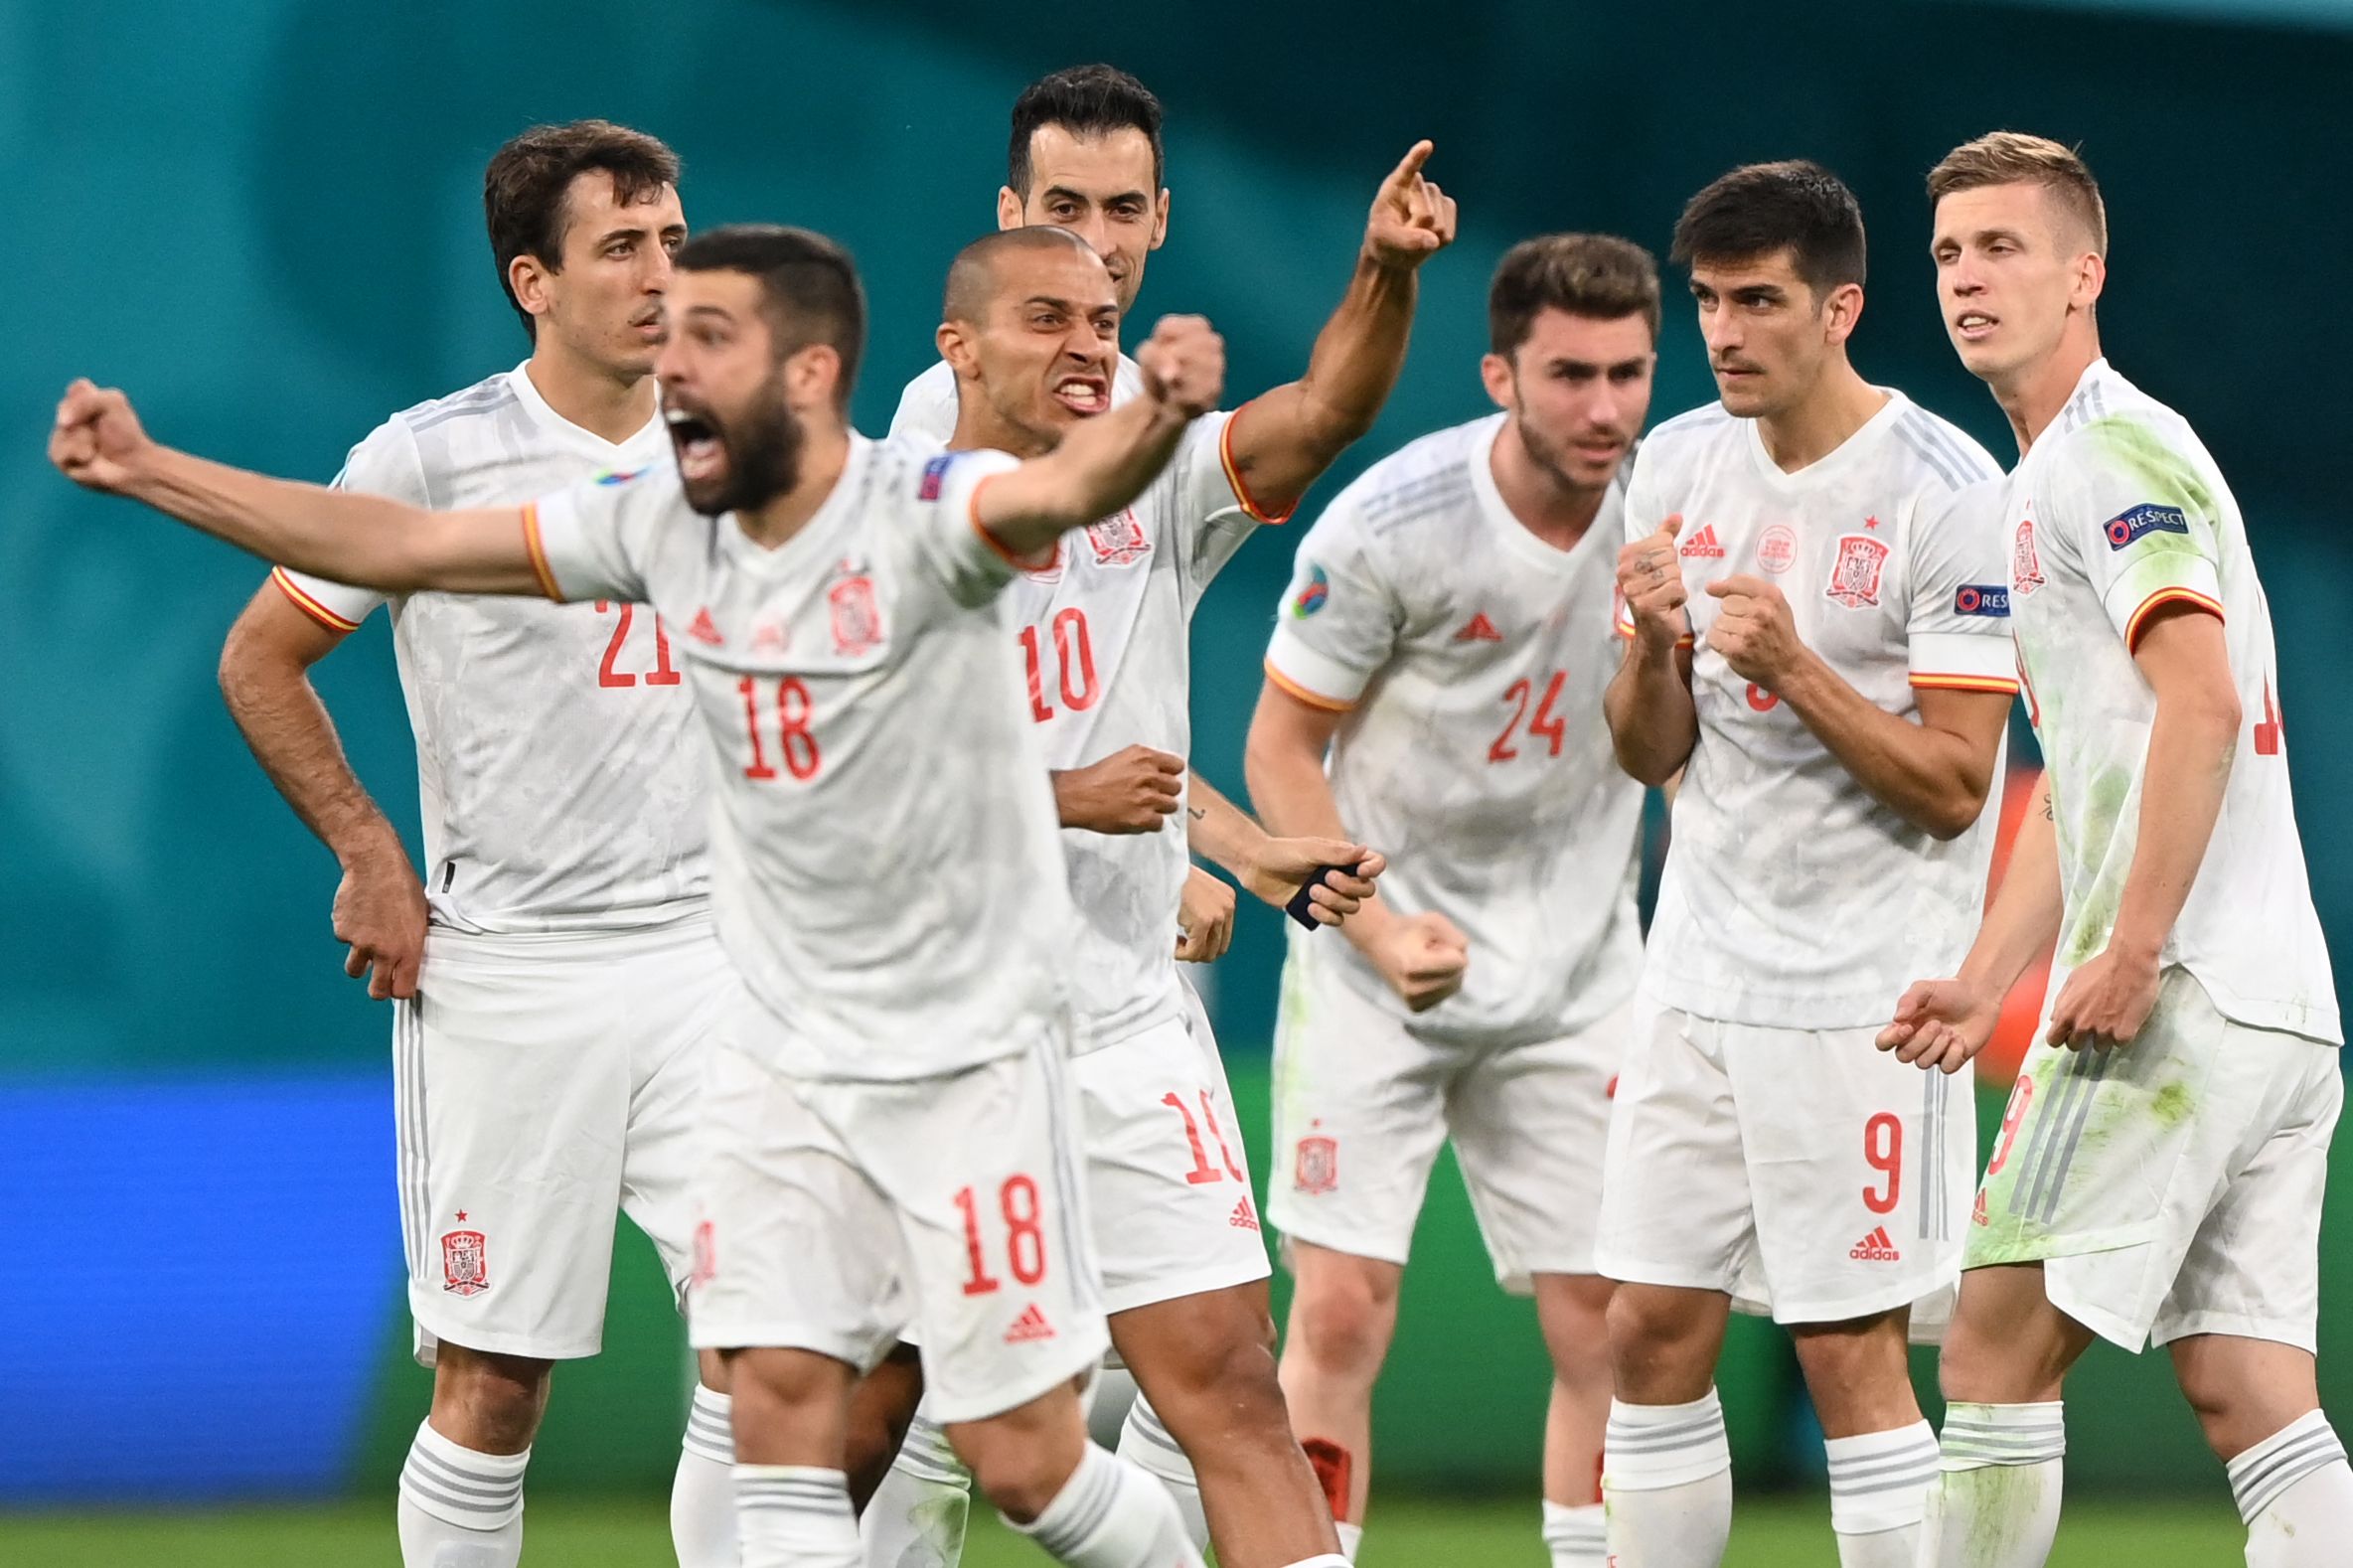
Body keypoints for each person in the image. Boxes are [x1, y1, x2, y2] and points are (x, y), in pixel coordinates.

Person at [52, 223, 1246, 1568]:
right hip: (782, 1053)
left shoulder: (918, 513)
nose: (670, 367)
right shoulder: (664, 524)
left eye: (708, 340)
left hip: (965, 1055)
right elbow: (402, 539)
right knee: (780, 1405)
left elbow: (1055, 495)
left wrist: (1159, 425)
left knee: (1032, 1460)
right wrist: (154, 472)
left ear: (808, 373)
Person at [857, 122, 1455, 1568]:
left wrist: (1381, 272)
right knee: (877, 1415)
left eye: (1112, 273)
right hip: (936, 1023)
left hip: (1122, 1016)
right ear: (963, 332)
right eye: (1051, 289)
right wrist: (1069, 800)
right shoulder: (889, 501)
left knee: (1231, 1381)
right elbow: (844, 782)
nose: (1089, 314)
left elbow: (1317, 415)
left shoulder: (1158, 458)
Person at [215, 119, 738, 1568]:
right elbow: (261, 660)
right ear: (533, 278)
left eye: (676, 240)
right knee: (495, 1383)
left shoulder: (743, 444)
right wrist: (371, 854)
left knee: (773, 1350)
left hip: (717, 961)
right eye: (621, 246)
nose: (661, 273)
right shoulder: (433, 458)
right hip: (514, 971)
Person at [1879, 130, 2350, 1568]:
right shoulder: (2048, 477)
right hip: (2282, 1006)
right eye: (1951, 251)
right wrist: (1983, 976)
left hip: (2186, 991)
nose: (1967, 278)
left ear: (2086, 272)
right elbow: (2098, 778)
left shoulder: (2109, 453)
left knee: (1989, 1357)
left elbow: (2200, 704)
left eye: (2003, 247)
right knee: (2250, 1392)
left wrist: (2134, 949)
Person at [1595, 160, 2017, 1568]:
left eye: (1759, 300)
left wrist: (1794, 668)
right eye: (1707, 300)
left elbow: (1960, 786)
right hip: (1697, 972)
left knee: (1849, 1351)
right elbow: (1647, 751)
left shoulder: (1947, 493)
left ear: (1839, 306)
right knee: (1645, 1324)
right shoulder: (1672, 464)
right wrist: (1658, 646)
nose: (1724, 332)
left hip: (1864, 996)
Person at [1244, 232, 1658, 1568]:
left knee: (1609, 1318)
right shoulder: (1392, 522)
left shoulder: (1679, 509)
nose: (1604, 409)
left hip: (1580, 968)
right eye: (1570, 375)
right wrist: (1370, 922)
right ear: (1499, 375)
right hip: (1382, 968)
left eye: (1631, 374)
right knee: (1344, 1312)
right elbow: (1275, 751)